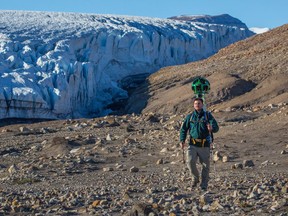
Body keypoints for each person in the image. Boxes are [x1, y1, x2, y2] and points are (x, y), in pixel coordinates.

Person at [180, 97, 219, 191]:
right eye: (195, 104)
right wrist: (182, 140)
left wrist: (211, 128)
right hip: (192, 144)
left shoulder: (207, 116)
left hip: (204, 145)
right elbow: (184, 129)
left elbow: (216, 128)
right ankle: (195, 178)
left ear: (202, 105)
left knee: (205, 165)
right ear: (193, 105)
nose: (197, 105)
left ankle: (204, 184)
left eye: (199, 103)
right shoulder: (190, 117)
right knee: (189, 161)